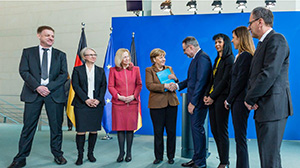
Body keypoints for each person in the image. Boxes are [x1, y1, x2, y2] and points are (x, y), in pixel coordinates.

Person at [8, 26, 68, 168]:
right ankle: (21, 158)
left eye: (52, 36)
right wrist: (37, 87)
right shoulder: (28, 52)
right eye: (47, 35)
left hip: (53, 95)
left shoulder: (60, 55)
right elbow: (23, 71)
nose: (50, 38)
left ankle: (58, 154)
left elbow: (63, 74)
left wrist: (48, 88)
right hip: (32, 93)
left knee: (56, 127)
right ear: (39, 36)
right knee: (28, 127)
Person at [245, 7, 293, 168]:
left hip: (273, 107)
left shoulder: (276, 40)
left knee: (270, 158)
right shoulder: (263, 43)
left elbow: (269, 74)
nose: (248, 27)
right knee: (267, 157)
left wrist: (250, 98)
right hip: (265, 107)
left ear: (260, 22)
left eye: (250, 23)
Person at [178, 37, 212, 168]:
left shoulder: (202, 58)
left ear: (191, 47)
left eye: (184, 50)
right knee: (196, 131)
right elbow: (191, 80)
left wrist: (193, 102)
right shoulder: (195, 59)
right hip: (196, 101)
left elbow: (201, 82)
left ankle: (200, 162)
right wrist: (177, 86)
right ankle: (197, 158)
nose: (184, 53)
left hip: (198, 103)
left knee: (198, 130)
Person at [224, 26, 255, 168]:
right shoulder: (240, 56)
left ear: (241, 38)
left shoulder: (245, 56)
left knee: (240, 138)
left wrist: (229, 99)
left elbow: (240, 81)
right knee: (239, 138)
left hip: (239, 102)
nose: (232, 40)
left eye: (234, 37)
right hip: (237, 101)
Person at [71, 47, 107, 165]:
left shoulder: (100, 70)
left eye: (95, 54)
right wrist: (86, 99)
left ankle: (90, 153)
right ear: (84, 57)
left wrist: (98, 99)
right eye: (90, 54)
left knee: (93, 130)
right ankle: (80, 155)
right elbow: (76, 86)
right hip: (81, 104)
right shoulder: (77, 70)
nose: (93, 56)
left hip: (97, 104)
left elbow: (103, 86)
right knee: (81, 131)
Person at [204, 33, 234, 168]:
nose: (217, 45)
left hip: (221, 99)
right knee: (215, 131)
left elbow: (224, 82)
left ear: (225, 43)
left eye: (219, 42)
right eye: (215, 42)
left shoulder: (229, 59)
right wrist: (206, 95)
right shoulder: (217, 59)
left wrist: (212, 97)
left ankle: (224, 162)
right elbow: (212, 80)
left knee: (222, 131)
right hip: (212, 99)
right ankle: (222, 158)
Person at [145, 48, 179, 165]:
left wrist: (175, 80)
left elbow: (175, 82)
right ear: (154, 59)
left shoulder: (169, 69)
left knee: (171, 131)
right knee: (158, 131)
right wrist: (164, 86)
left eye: (164, 57)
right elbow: (149, 85)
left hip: (172, 103)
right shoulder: (149, 70)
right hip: (156, 105)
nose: (163, 59)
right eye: (160, 57)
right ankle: (158, 156)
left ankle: (171, 156)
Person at [108, 48, 142, 163]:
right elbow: (111, 86)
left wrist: (133, 96)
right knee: (120, 129)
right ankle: (121, 152)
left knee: (130, 129)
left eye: (128, 56)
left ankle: (129, 153)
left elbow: (139, 85)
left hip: (132, 103)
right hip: (119, 104)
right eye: (124, 57)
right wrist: (119, 97)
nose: (127, 59)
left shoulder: (136, 69)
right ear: (119, 59)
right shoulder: (113, 70)